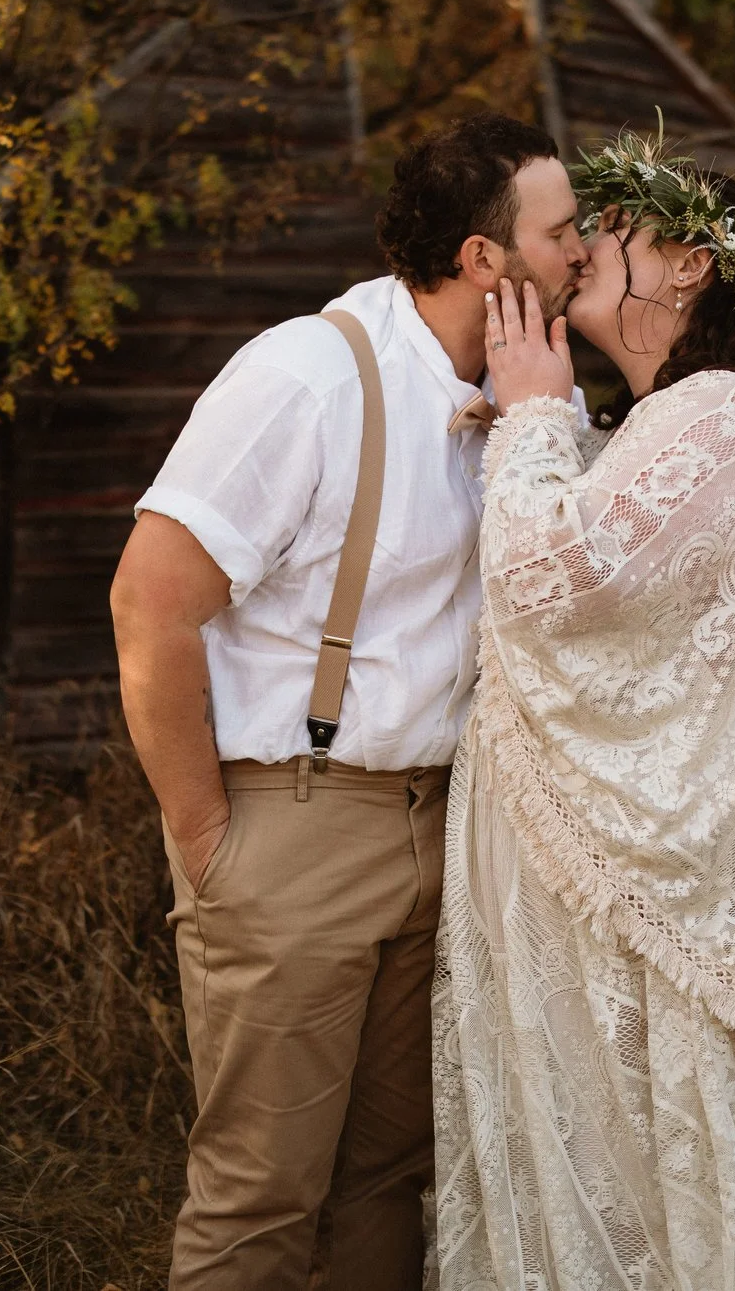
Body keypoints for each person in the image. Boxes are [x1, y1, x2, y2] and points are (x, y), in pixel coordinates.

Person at [110, 112, 592, 1290]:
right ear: (488, 259)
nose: (583, 248)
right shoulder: (307, 376)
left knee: (390, 1175)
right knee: (261, 1190)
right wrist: (209, 837)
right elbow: (149, 602)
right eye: (563, 228)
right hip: (295, 823)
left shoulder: (535, 394)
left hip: (452, 827)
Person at [432, 131, 735, 1291]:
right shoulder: (670, 425)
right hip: (622, 912)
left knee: (659, 1208)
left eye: (616, 227)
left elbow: (554, 577)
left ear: (690, 262)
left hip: (677, 921)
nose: (586, 246)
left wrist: (537, 415)